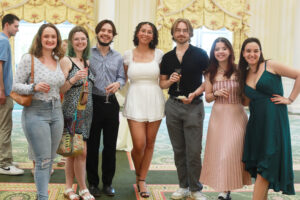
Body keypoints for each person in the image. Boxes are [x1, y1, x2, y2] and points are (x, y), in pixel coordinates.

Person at [239, 37, 300, 199]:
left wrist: (290, 99)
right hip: (256, 124)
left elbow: (299, 75)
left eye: (256, 50)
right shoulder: (244, 73)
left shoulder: (270, 65)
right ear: (243, 54)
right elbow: (245, 101)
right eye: (248, 51)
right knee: (261, 166)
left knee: (266, 165)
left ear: (260, 52)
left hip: (274, 122)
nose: (252, 54)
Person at [12, 23, 65, 200]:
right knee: (42, 161)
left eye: (53, 37)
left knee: (50, 161)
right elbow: (15, 86)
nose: (50, 40)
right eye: (46, 36)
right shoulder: (29, 59)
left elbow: (60, 86)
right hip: (36, 112)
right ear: (40, 39)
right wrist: (34, 87)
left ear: (57, 39)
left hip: (56, 112)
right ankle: (43, 197)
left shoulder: (58, 59)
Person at [159, 18, 209, 200]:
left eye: (184, 30)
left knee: (194, 150)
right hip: (173, 106)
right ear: (173, 33)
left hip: (194, 106)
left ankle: (196, 188)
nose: (181, 33)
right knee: (178, 150)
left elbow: (208, 80)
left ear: (190, 33)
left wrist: (195, 94)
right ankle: (183, 186)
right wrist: (169, 81)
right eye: (178, 30)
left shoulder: (201, 54)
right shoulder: (167, 57)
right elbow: (162, 84)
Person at [199, 37, 251, 200]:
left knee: (231, 152)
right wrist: (215, 93)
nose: (220, 52)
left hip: (236, 115)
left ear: (229, 51)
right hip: (218, 117)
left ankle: (227, 188)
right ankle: (224, 190)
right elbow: (207, 97)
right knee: (220, 153)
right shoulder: (209, 72)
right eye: (217, 49)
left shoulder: (240, 70)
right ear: (213, 53)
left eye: (223, 48)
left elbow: (246, 98)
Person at [123, 22, 164, 198]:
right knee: (138, 144)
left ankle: (142, 179)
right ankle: (140, 173)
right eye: (143, 31)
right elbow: (122, 79)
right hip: (134, 99)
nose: (146, 34)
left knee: (150, 143)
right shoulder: (127, 55)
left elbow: (163, 79)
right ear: (137, 33)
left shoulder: (160, 55)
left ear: (153, 36)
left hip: (155, 98)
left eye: (150, 32)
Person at [86, 19, 125, 197]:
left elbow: (122, 78)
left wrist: (118, 83)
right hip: (92, 102)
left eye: (110, 31)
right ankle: (92, 183)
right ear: (97, 33)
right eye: (103, 30)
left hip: (111, 103)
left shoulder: (118, 57)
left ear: (113, 35)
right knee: (92, 145)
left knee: (110, 146)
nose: (106, 33)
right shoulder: (87, 54)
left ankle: (108, 183)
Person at [60, 26, 95, 200]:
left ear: (87, 42)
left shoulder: (86, 61)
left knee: (74, 151)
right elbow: (62, 88)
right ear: (71, 42)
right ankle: (83, 188)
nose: (80, 42)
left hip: (86, 112)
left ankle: (68, 188)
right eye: (77, 39)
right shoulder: (67, 60)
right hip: (72, 111)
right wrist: (74, 79)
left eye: (83, 39)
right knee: (80, 151)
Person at [0, 13, 24, 175]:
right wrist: (1, 90)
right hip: (3, 92)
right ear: (7, 25)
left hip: (5, 91)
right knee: (5, 128)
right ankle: (4, 163)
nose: (18, 29)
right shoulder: (3, 41)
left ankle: (5, 159)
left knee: (3, 127)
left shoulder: (2, 41)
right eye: (16, 26)